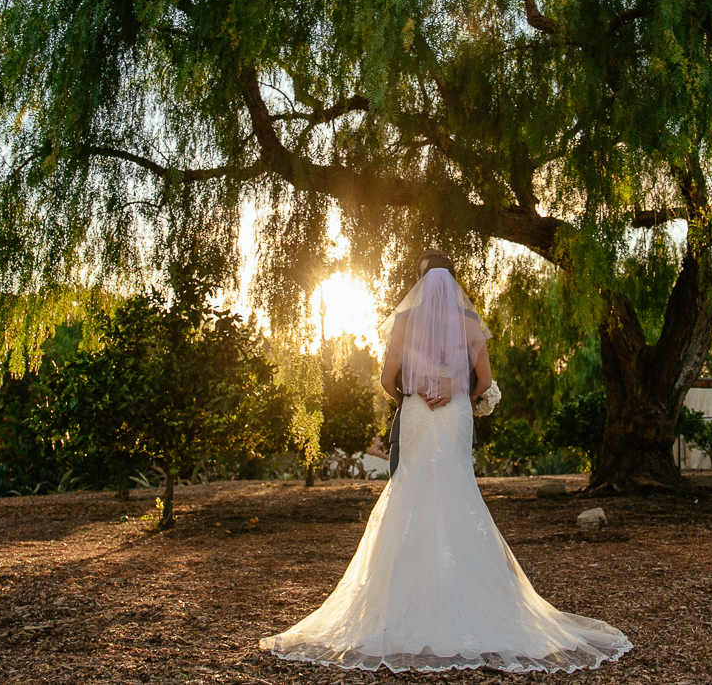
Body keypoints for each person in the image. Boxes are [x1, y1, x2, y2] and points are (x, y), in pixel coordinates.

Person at [259, 250, 631, 673]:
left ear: (419, 282)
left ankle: (400, 605)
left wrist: (412, 399)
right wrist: (459, 395)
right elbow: (485, 380)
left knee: (411, 491)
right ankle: (470, 598)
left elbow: (386, 378)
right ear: (453, 281)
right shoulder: (469, 321)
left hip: (418, 411)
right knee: (457, 490)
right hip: (453, 412)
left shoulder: (404, 320)